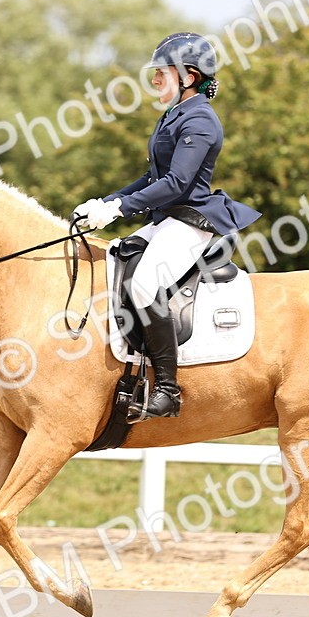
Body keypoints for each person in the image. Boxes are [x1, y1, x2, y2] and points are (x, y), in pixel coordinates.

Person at [74, 32, 262, 419]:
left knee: (146, 284)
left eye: (162, 73)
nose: (156, 80)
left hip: (190, 221)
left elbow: (176, 183)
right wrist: (105, 202)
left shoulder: (202, 120)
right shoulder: (173, 115)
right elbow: (150, 177)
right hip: (166, 220)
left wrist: (122, 209)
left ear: (189, 75)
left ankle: (167, 389)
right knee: (114, 259)